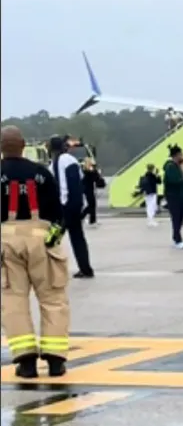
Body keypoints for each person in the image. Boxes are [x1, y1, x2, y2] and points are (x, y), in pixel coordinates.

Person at [1, 125, 71, 378]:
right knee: (53, 298)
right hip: (42, 240)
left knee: (13, 301)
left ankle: (26, 362)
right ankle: (55, 361)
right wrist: (53, 239)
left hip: (6, 241)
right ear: (22, 146)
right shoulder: (41, 173)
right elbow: (58, 214)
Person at [48, 136, 94, 278]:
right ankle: (85, 268)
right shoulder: (69, 160)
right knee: (77, 238)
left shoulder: (57, 163)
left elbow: (62, 187)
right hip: (73, 205)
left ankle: (50, 269)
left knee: (51, 239)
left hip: (64, 207)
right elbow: (79, 183)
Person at [163, 145, 183, 249]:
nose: (182, 156)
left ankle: (176, 237)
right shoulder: (171, 167)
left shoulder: (177, 165)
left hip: (179, 195)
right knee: (176, 218)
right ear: (176, 155)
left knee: (180, 217)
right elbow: (174, 181)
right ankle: (178, 240)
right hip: (173, 196)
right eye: (181, 154)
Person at [81, 157, 105, 226]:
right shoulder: (89, 170)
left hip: (87, 188)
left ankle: (92, 220)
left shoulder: (84, 170)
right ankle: (83, 217)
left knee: (92, 204)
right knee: (91, 204)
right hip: (88, 188)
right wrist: (97, 173)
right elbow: (95, 177)